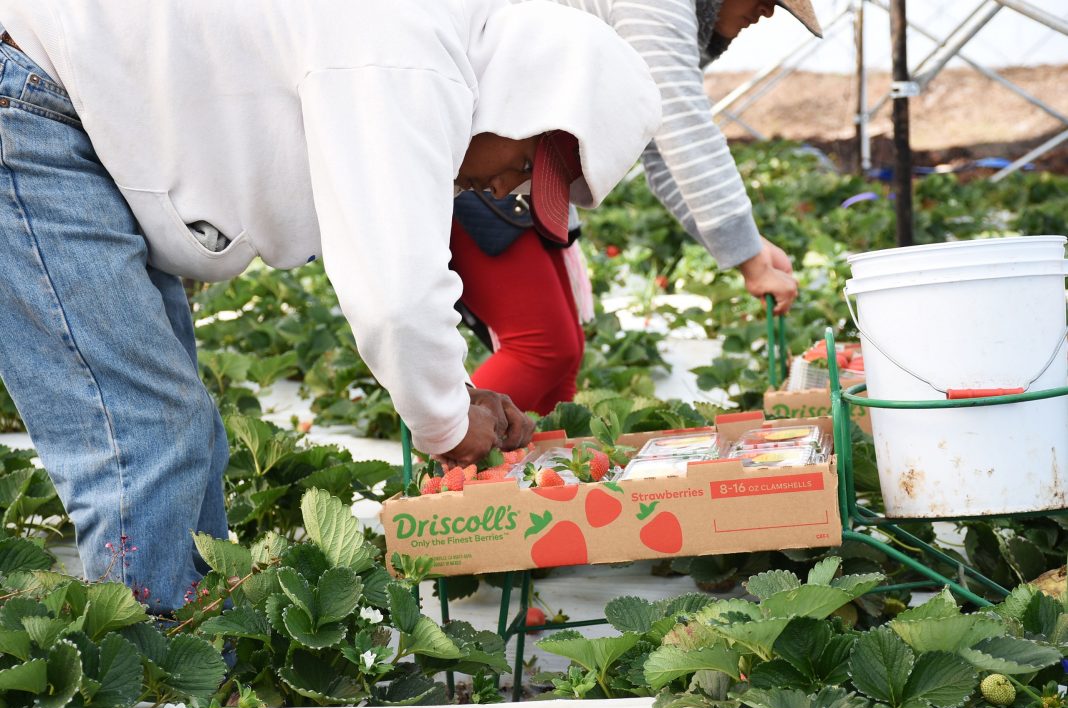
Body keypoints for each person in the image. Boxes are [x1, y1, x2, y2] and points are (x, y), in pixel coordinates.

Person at [0, 0, 660, 612]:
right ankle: (156, 672)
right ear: (524, 105)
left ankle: (189, 651)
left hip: (81, 110)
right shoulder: (409, 51)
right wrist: (447, 425)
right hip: (33, 101)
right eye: (523, 166)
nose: (500, 187)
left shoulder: (428, 43)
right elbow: (396, 299)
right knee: (145, 435)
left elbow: (385, 265)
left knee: (183, 434)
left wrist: (453, 395)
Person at [449, 0, 820, 414]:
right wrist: (749, 259)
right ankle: (447, 444)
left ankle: (540, 456)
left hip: (531, 163)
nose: (767, 11)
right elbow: (683, 127)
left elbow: (661, 144)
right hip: (492, 151)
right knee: (540, 348)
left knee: (564, 356)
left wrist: (749, 247)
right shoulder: (660, 5)